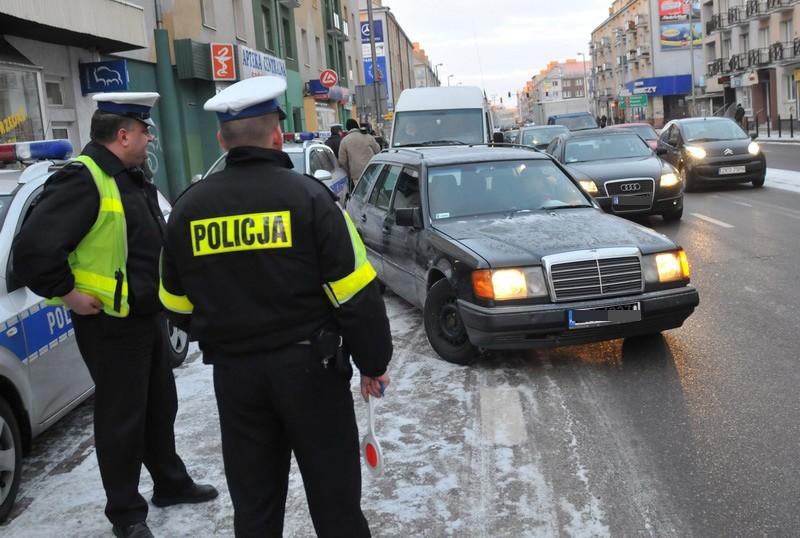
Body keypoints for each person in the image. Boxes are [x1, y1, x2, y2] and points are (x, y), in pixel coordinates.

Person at [159, 75, 393, 537]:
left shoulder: (188, 210)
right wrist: (373, 363)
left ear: (221, 140)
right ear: (277, 136)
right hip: (312, 372)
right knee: (337, 506)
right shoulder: (311, 198)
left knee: (256, 510)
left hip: (237, 379)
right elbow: (355, 292)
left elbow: (174, 303)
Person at [13, 92, 218, 538]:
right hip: (109, 324)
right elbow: (31, 253)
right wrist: (68, 293)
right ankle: (126, 514)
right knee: (121, 420)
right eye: (145, 132)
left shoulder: (130, 176)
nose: (149, 140)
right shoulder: (82, 180)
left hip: (144, 316)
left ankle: (169, 482)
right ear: (123, 135)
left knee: (159, 408)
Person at [338, 118, 380, 185]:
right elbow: (377, 150)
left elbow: (342, 161)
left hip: (356, 173)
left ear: (347, 128)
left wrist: (349, 172)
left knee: (361, 194)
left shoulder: (344, 141)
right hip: (370, 170)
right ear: (357, 126)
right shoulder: (368, 137)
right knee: (373, 191)